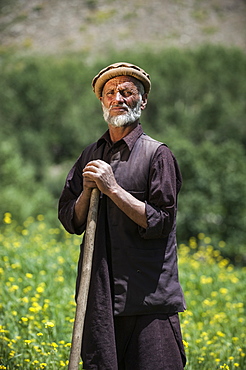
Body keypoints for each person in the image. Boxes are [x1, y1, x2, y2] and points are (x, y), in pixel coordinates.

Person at [58, 62, 186, 370]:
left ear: (142, 102)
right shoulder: (90, 155)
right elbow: (69, 219)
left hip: (148, 302)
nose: (118, 98)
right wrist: (88, 191)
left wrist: (112, 189)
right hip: (99, 300)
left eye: (127, 92)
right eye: (110, 92)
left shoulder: (157, 155)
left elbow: (161, 221)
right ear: (102, 102)